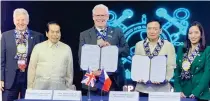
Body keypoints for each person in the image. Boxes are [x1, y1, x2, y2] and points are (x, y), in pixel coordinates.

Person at [78, 4, 129, 95]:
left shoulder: (117, 31)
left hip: (114, 80)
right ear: (93, 17)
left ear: (108, 16)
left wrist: (112, 49)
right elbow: (81, 56)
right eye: (97, 15)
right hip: (93, 78)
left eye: (103, 15)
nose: (100, 18)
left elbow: (126, 51)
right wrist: (92, 71)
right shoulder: (84, 34)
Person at [1, 8, 44, 101]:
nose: (20, 22)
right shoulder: (5, 36)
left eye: (23, 20)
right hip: (10, 79)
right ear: (14, 21)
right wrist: (1, 79)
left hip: (30, 78)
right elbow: (1, 59)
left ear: (28, 21)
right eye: (18, 20)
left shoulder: (38, 36)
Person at [27, 21, 75, 90]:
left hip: (59, 89)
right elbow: (32, 69)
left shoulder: (67, 49)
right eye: (52, 32)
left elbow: (69, 72)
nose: (55, 34)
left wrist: (68, 88)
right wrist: (30, 88)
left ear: (60, 33)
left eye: (57, 32)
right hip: (39, 90)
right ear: (47, 33)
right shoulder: (38, 48)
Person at [134, 19, 176, 96]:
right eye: (149, 28)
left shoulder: (168, 45)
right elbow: (137, 65)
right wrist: (138, 77)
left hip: (162, 89)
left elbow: (171, 65)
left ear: (160, 31)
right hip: (142, 88)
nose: (152, 31)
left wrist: (164, 79)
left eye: (155, 29)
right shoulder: (139, 45)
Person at [174, 21, 210, 101]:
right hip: (183, 94)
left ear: (201, 35)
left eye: (196, 33)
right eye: (190, 33)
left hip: (200, 94)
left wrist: (196, 92)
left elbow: (207, 73)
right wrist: (178, 90)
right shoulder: (181, 49)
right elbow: (177, 72)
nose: (193, 36)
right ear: (187, 35)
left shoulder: (207, 50)